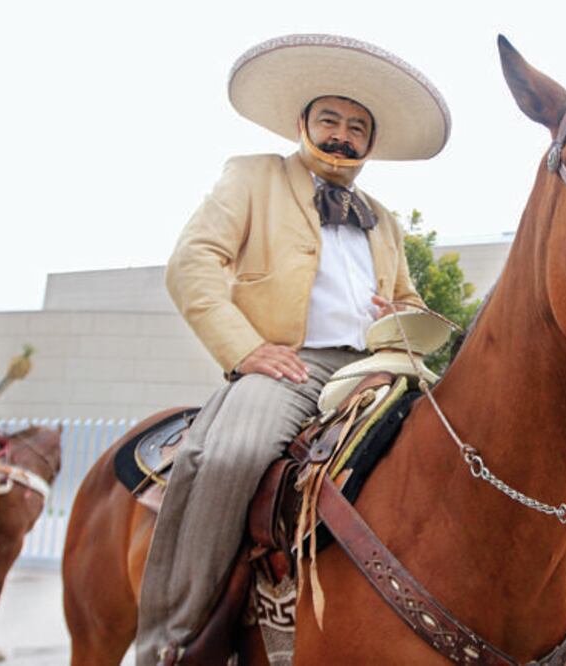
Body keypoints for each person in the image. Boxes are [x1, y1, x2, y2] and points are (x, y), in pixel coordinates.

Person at [134, 34, 450, 665]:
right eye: (330, 120)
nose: (342, 135)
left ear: (370, 142)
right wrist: (245, 348)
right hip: (289, 364)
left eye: (357, 126)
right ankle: (172, 637)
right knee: (231, 455)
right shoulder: (253, 176)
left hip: (380, 367)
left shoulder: (382, 218)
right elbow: (193, 262)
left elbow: (409, 298)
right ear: (303, 123)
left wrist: (407, 315)